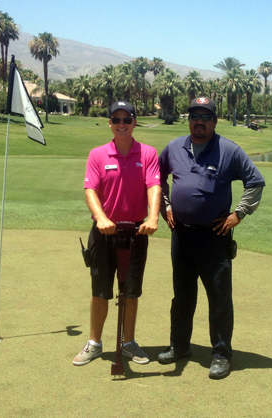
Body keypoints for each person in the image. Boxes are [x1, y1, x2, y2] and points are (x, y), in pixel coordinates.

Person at [158, 97, 265, 379]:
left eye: (206, 116)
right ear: (189, 119)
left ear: (214, 122)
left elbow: (255, 181)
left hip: (214, 238)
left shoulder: (228, 150)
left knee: (218, 298)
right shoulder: (173, 148)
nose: (200, 121)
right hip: (181, 235)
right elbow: (156, 179)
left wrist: (239, 214)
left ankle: (220, 354)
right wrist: (165, 206)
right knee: (182, 297)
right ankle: (179, 346)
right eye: (195, 115)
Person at [73, 100, 161, 366]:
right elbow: (91, 190)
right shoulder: (97, 155)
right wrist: (100, 218)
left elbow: (154, 186)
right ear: (110, 123)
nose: (121, 124)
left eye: (127, 119)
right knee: (100, 289)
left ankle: (128, 343)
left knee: (131, 290)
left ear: (134, 122)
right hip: (104, 232)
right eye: (116, 120)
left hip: (136, 231)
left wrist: (153, 216)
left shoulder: (147, 153)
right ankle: (95, 343)